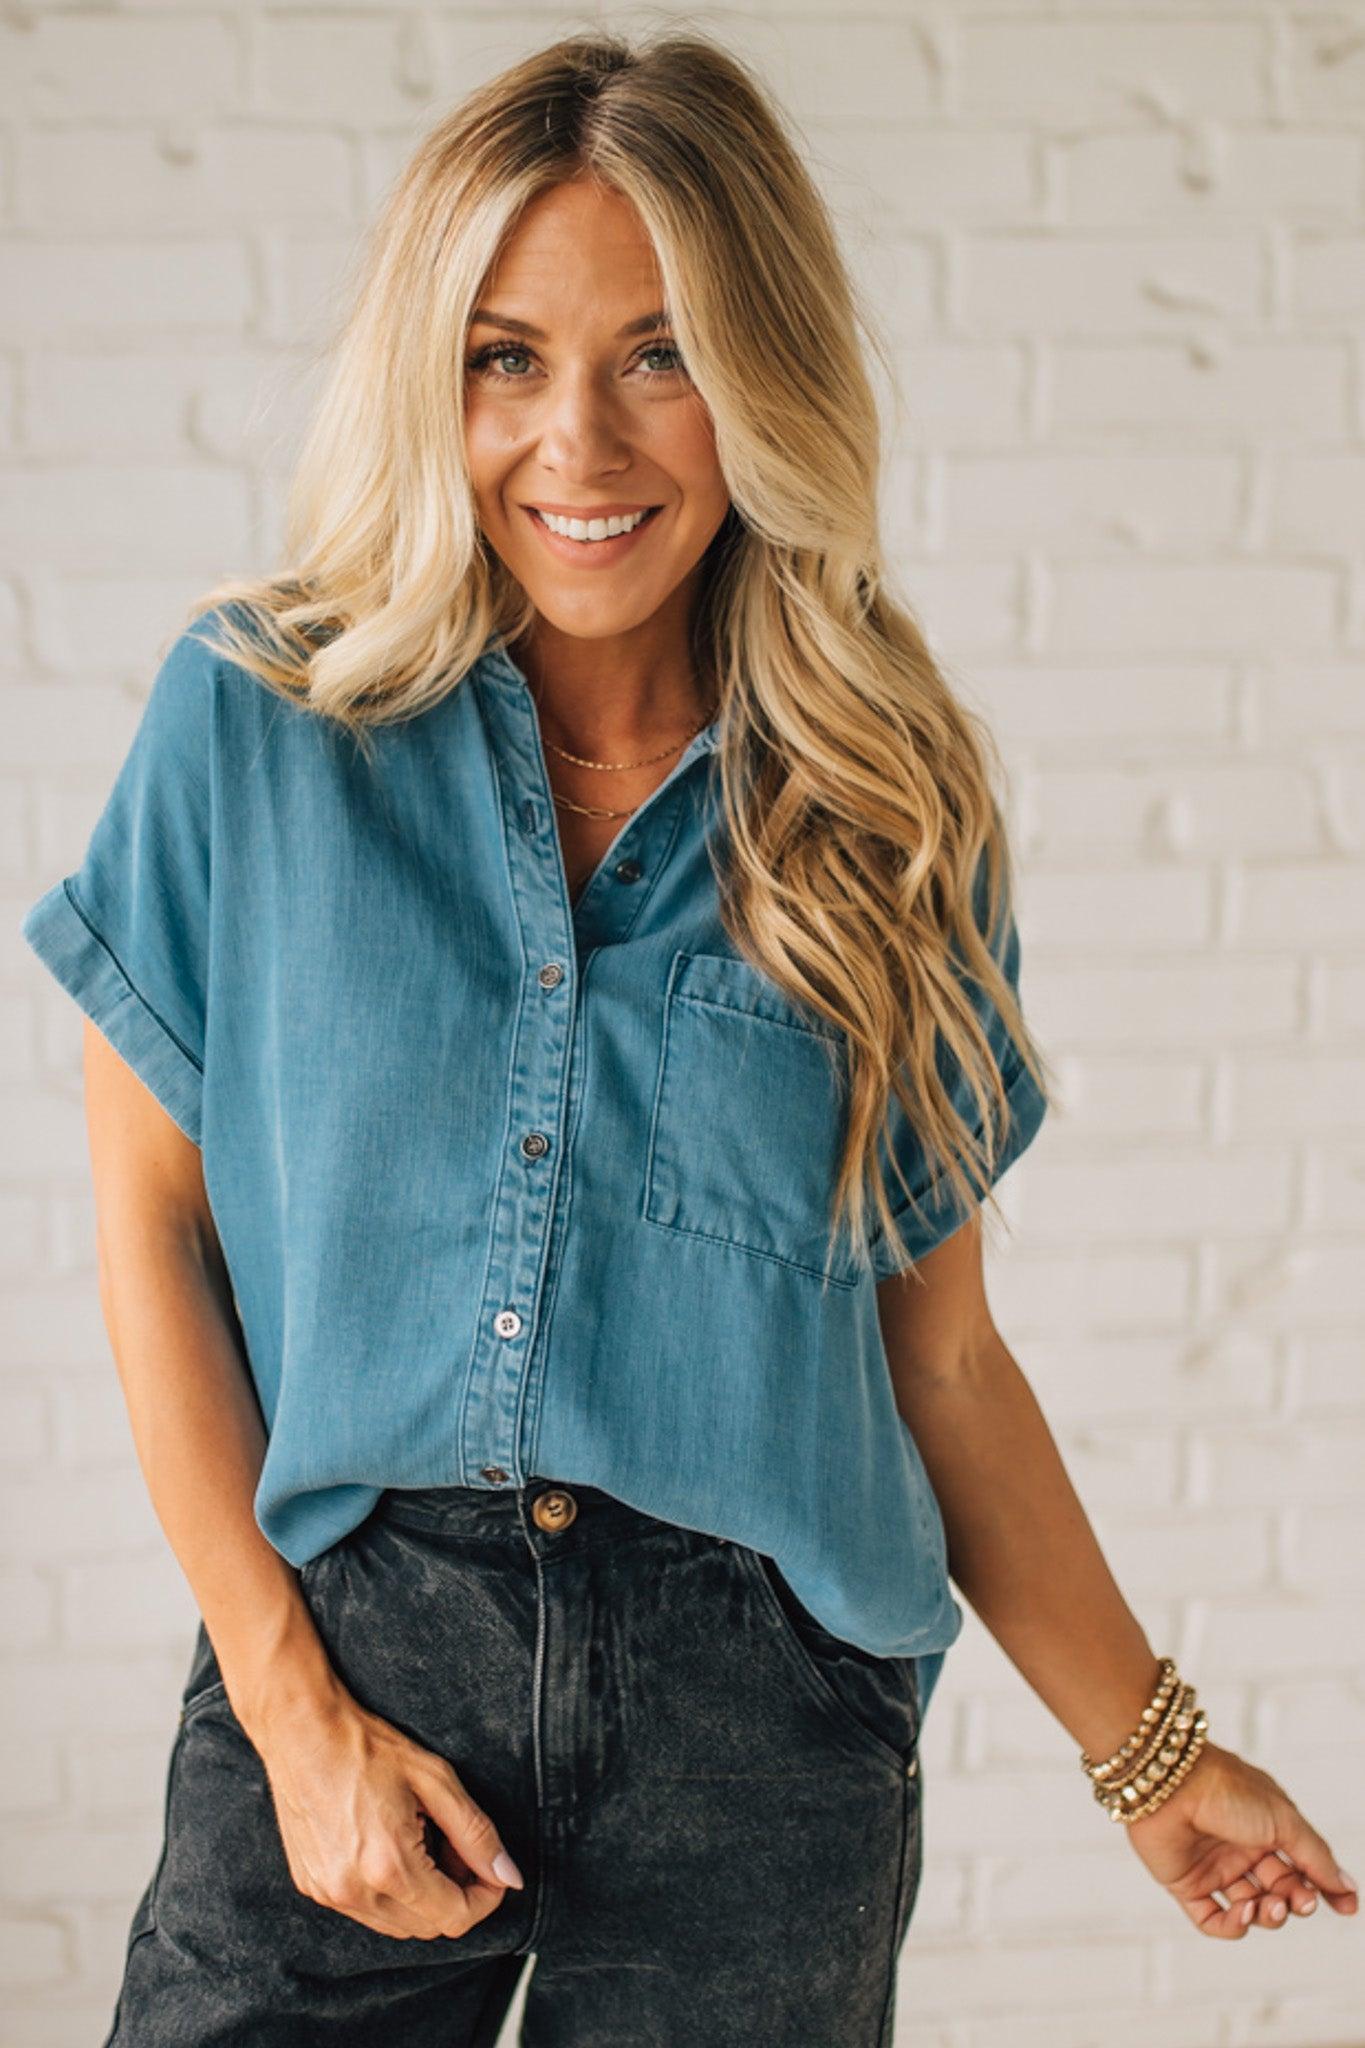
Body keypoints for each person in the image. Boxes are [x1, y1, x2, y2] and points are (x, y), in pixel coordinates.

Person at [18, 26, 1357, 2048]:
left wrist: (1148, 1756)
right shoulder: (251, 724)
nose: (583, 440)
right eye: (505, 357)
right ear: (430, 375)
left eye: (660, 353)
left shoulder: (888, 809)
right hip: (352, 1655)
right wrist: (294, 1721)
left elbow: (943, 1357)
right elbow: (151, 1241)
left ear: (763, 377)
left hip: (762, 1741)